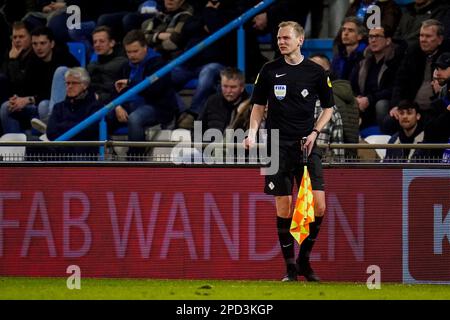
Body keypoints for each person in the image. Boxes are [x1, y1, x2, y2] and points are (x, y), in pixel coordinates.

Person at [244, 21, 334, 282]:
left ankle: (305, 259)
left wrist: (315, 132)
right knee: (283, 209)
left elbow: (329, 107)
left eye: (286, 38)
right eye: (278, 38)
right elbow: (258, 106)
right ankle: (291, 268)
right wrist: (252, 132)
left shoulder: (316, 72)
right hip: (275, 145)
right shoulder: (269, 70)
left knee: (319, 206)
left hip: (306, 146)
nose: (281, 42)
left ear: (300, 40)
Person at [108, 29, 178, 158]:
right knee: (103, 115)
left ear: (145, 48)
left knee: (135, 119)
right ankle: (105, 155)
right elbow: (114, 89)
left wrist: (130, 82)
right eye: (128, 52)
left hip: (156, 106)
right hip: (129, 105)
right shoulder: (126, 66)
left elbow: (154, 91)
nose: (131, 55)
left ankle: (135, 158)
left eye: (135, 51)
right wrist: (117, 106)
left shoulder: (158, 64)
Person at [351, 25, 404, 130]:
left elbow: (393, 89)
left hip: (384, 103)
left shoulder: (396, 61)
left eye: (377, 36)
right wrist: (356, 98)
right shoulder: (363, 61)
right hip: (364, 102)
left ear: (388, 41)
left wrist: (369, 99)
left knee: (381, 105)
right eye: (370, 37)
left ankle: (384, 136)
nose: (373, 40)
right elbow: (352, 84)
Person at [200, 67, 250, 133]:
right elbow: (196, 129)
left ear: (242, 87)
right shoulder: (212, 101)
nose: (228, 91)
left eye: (233, 87)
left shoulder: (250, 106)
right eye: (225, 86)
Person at [331, 16, 367, 81]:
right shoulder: (338, 56)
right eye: (344, 30)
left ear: (360, 36)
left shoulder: (365, 55)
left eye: (351, 30)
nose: (346, 33)